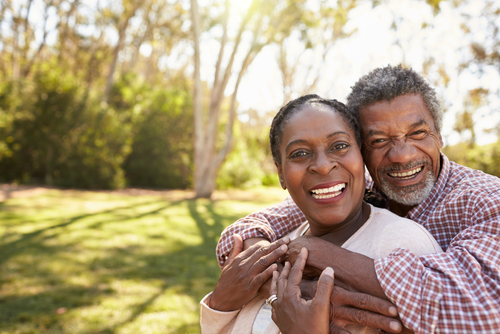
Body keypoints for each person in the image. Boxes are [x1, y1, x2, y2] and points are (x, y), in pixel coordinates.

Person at [215, 65, 500, 333]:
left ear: (439, 134)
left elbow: (484, 314)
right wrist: (276, 275)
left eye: (417, 133)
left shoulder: (485, 200)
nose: (402, 155)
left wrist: (318, 254)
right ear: (361, 152)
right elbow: (256, 225)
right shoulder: (364, 188)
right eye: (379, 141)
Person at [201, 95, 442, 333]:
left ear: (361, 157)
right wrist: (220, 304)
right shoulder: (277, 245)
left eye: (339, 146)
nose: (323, 165)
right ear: (281, 173)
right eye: (299, 153)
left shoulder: (401, 244)